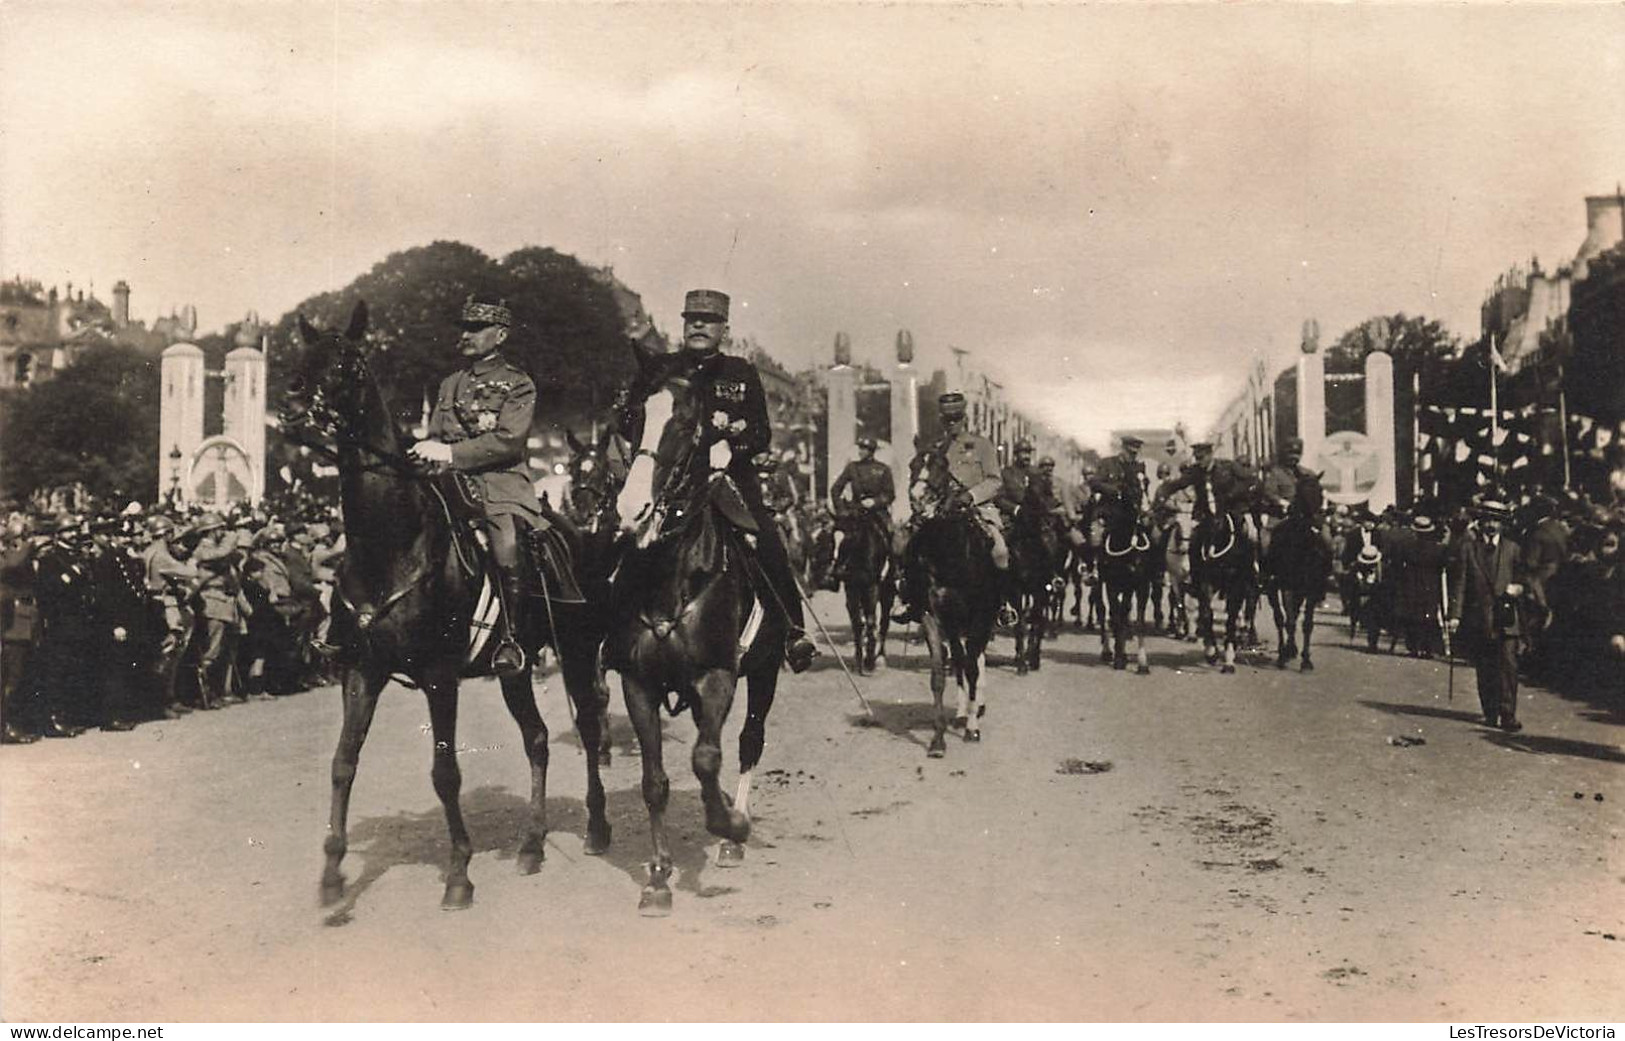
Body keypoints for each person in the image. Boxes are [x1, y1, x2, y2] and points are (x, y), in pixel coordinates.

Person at [625, 289, 818, 673]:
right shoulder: (661, 367)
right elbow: (631, 418)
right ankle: (609, 632)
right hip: (669, 483)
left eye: (708, 320)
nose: (698, 325)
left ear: (723, 329)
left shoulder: (740, 373)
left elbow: (761, 430)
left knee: (767, 541)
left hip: (727, 481)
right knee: (623, 539)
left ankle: (793, 630)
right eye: (691, 318)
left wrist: (734, 445)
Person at [409, 295, 541, 676]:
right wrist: (425, 451)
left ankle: (511, 639)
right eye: (464, 329)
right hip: (449, 483)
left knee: (506, 546)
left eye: (476, 329)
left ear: (499, 335)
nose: (466, 336)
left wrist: (450, 455)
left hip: (500, 485)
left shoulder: (518, 384)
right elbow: (436, 434)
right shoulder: (450, 384)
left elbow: (507, 441)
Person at [891, 391, 1008, 624]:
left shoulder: (982, 445)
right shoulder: (936, 447)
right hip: (938, 510)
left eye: (956, 418)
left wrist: (971, 496)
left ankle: (1002, 604)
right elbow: (921, 477)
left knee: (1000, 550)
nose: (951, 423)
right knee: (908, 545)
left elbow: (995, 481)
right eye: (947, 419)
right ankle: (910, 601)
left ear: (964, 418)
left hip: (977, 509)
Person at [1447, 498, 1528, 732]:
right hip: (1480, 616)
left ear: (1502, 524)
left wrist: (1518, 587)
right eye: (1487, 520)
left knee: (1509, 665)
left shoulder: (1513, 549)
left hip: (1506, 617)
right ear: (1480, 522)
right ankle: (1490, 710)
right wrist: (1455, 615)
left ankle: (1508, 713)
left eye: (1496, 520)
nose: (1491, 525)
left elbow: (1523, 578)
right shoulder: (1469, 548)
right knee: (1486, 666)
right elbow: (1460, 583)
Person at [1152, 441, 1257, 554]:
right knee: (1193, 541)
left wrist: (1231, 495)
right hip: (1205, 515)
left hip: (1230, 511)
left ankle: (1252, 567)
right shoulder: (1194, 471)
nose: (1199, 461)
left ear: (1210, 455)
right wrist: (1163, 493)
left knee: (1248, 536)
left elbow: (1249, 480)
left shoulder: (1228, 466)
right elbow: (1178, 484)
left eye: (1201, 458)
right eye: (1197, 458)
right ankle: (1195, 570)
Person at [829, 435, 895, 580]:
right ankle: (836, 568)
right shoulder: (852, 467)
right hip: (856, 512)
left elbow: (890, 494)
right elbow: (835, 489)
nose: (861, 451)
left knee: (891, 535)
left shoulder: (883, 469)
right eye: (860, 448)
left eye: (864, 449)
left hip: (878, 512)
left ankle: (893, 571)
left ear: (872, 451)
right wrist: (841, 510)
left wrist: (876, 501)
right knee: (841, 535)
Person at [1256, 437, 1326, 558]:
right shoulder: (1275, 473)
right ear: (1284, 454)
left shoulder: (1308, 473)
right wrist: (1284, 503)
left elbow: (1318, 492)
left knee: (1327, 538)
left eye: (1297, 454)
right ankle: (1266, 571)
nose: (1294, 457)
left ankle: (1330, 569)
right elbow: (1269, 492)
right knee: (1265, 542)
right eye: (1290, 453)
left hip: (1307, 516)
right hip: (1281, 516)